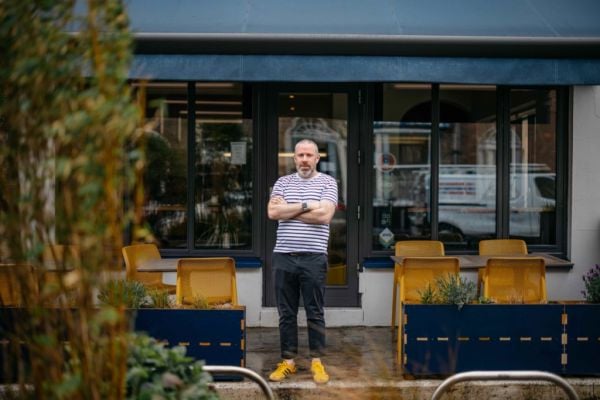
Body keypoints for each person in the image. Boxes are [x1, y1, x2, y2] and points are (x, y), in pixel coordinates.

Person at [267, 138, 338, 384]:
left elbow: (326, 216)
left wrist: (291, 209)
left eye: (309, 155)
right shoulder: (282, 182)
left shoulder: (328, 182)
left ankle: (317, 362)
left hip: (314, 258)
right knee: (286, 313)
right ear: (294, 158)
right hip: (283, 256)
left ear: (317, 158)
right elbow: (273, 212)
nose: (305, 160)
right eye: (300, 155)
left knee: (314, 312)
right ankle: (288, 362)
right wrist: (308, 205)